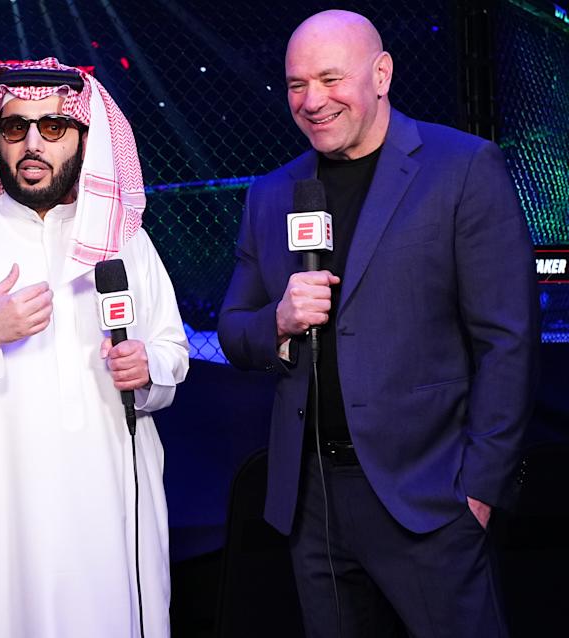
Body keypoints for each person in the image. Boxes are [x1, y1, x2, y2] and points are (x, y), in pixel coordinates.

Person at [218, 10, 538, 638]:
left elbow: (508, 341)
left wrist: (480, 489)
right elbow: (234, 328)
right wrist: (278, 322)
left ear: (382, 73)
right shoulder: (272, 192)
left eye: (331, 79)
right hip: (310, 503)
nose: (313, 101)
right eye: (296, 85)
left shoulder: (463, 167)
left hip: (430, 498)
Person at [0, 58, 189, 638]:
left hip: (105, 502)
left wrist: (148, 368)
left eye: (52, 128)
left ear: (83, 140)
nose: (31, 143)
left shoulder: (126, 239)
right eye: (14, 127)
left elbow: (172, 349)